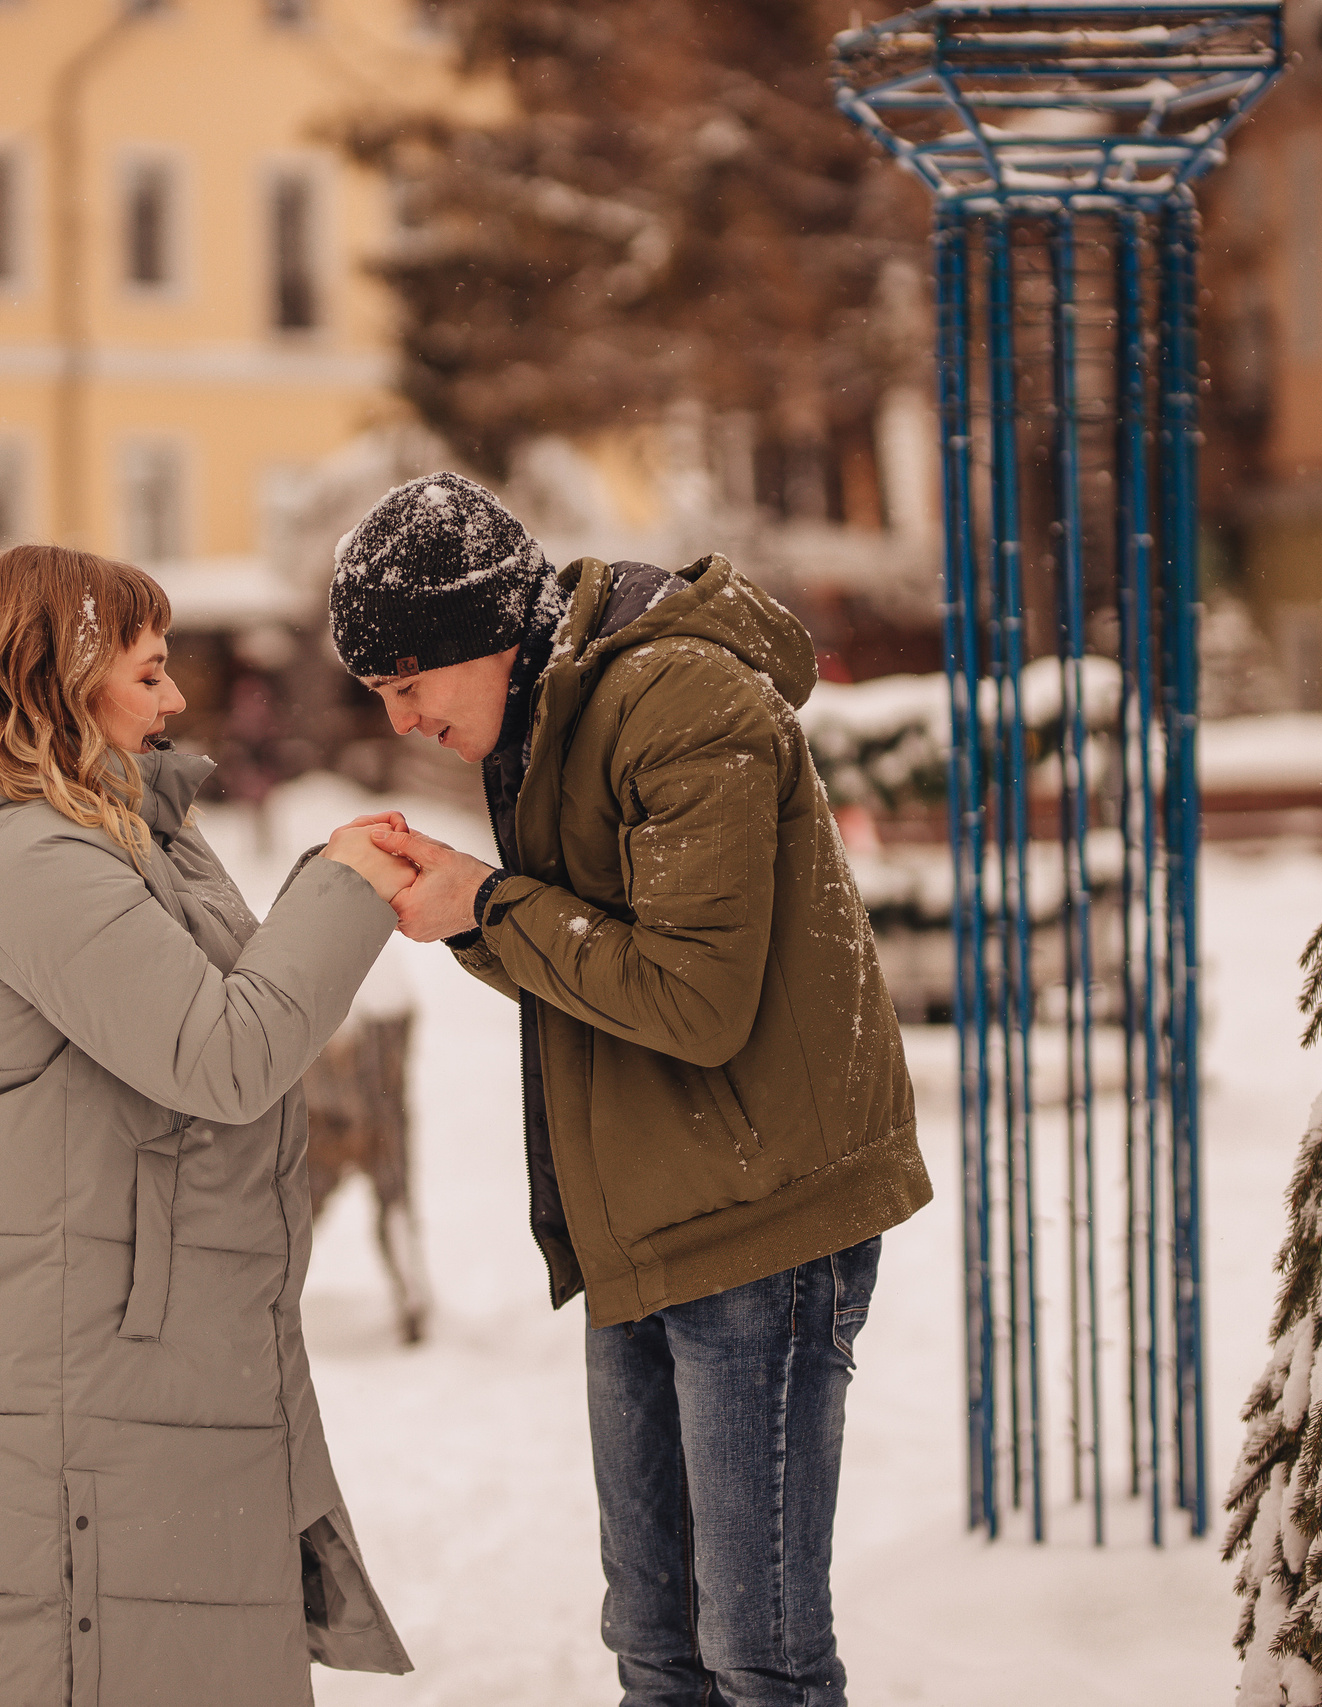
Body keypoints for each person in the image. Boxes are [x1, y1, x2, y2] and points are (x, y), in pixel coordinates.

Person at [329, 473, 931, 1707]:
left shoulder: (679, 699)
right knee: (656, 1649)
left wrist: (486, 905)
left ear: (485, 638)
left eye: (407, 686)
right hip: (646, 1222)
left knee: (759, 1658)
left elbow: (692, 999)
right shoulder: (549, 716)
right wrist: (468, 908)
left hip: (764, 1220)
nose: (400, 722)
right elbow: (601, 969)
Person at [0, 543, 416, 1706]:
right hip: (85, 1379)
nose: (173, 699)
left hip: (136, 1355)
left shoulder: (104, 826)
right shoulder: (26, 855)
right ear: (58, 682)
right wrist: (346, 885)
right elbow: (223, 1054)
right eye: (149, 671)